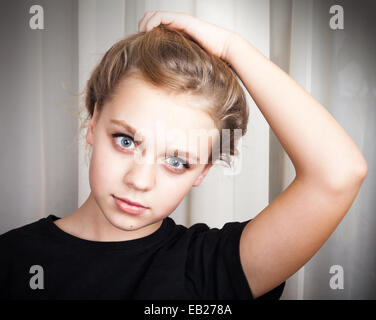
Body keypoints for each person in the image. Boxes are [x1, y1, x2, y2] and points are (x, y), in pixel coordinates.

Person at [0, 11, 367, 300]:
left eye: (177, 161)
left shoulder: (211, 268)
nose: (139, 181)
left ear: (203, 171)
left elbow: (340, 172)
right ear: (94, 122)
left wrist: (231, 47)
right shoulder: (13, 259)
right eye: (126, 140)